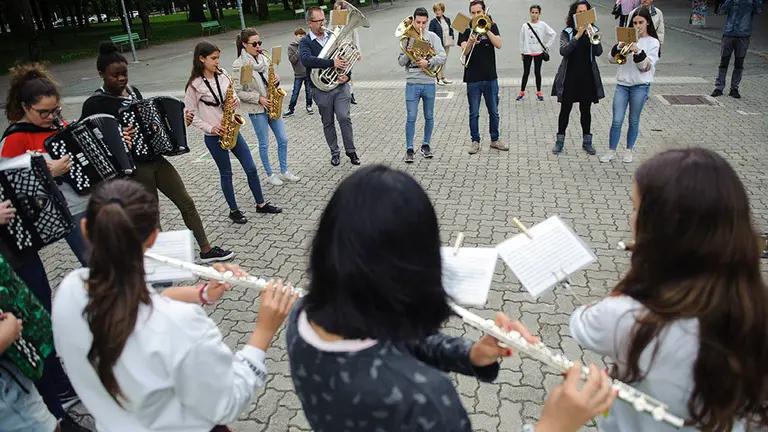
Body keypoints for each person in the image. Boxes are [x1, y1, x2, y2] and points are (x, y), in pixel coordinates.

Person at [287, 165, 617, 431]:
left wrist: (472, 354)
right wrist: (553, 427)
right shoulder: (424, 397)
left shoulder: (303, 315)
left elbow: (392, 343)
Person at [51, 179, 299, 431]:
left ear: (84, 228)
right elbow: (229, 402)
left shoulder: (70, 289)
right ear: (153, 238)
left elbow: (138, 301)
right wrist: (264, 330)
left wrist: (202, 293)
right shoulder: (179, 324)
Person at [570, 148, 768, 431]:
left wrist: (637, 280)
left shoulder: (631, 317)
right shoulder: (755, 305)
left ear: (662, 229)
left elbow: (580, 324)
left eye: (637, 208)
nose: (630, 218)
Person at [81, 42, 234, 262]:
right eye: (115, 76)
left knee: (186, 202)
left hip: (155, 158)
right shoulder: (95, 103)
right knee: (152, 214)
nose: (122, 79)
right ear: (101, 74)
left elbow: (151, 124)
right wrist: (114, 136)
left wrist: (180, 123)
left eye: (124, 73)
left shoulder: (133, 92)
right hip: (133, 167)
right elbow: (85, 138)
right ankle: (162, 261)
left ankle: (206, 250)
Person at [0, 209, 85, 432]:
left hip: (18, 252)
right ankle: (55, 412)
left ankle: (59, 391)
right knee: (30, 348)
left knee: (42, 330)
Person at [1, 64, 93, 267]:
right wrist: (48, 172)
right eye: (43, 112)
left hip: (92, 199)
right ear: (25, 107)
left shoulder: (59, 125)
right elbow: (9, 188)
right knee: (96, 265)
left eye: (55, 110)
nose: (51, 117)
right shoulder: (16, 138)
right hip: (70, 210)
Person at [185, 41, 283, 224]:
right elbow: (189, 115)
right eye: (213, 59)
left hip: (232, 130)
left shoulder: (223, 76)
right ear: (201, 59)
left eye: (218, 58)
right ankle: (234, 210)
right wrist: (211, 128)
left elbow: (235, 95)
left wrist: (235, 102)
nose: (217, 62)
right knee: (226, 173)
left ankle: (260, 204)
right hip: (214, 137)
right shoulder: (194, 85)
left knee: (251, 168)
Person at [232, 28, 300, 187]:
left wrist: (276, 81)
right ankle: (270, 174)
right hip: (257, 109)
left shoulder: (264, 58)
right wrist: (259, 98)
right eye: (254, 44)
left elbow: (269, 79)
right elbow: (239, 91)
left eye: (259, 43)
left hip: (272, 105)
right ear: (244, 44)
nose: (258, 46)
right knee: (264, 143)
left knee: (283, 139)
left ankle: (284, 171)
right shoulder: (240, 65)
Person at [300, 5, 360, 167]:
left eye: (323, 20)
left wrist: (347, 76)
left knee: (344, 117)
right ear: (309, 23)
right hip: (320, 89)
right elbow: (306, 60)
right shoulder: (305, 42)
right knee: (328, 122)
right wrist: (331, 62)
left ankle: (351, 151)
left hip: (340, 87)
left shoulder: (333, 36)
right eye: (318, 21)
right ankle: (335, 152)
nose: (322, 23)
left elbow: (347, 57)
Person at [600, 8, 659, 164]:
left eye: (641, 22)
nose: (637, 25)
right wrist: (619, 47)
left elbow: (645, 67)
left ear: (647, 23)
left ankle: (628, 150)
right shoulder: (627, 38)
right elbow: (613, 60)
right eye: (634, 22)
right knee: (617, 120)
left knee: (633, 120)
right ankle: (611, 150)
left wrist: (638, 51)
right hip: (622, 84)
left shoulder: (653, 42)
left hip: (640, 86)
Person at [551, 0, 605, 155]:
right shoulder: (567, 32)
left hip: (587, 75)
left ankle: (587, 141)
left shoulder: (593, 30)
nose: (582, 15)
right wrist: (577, 35)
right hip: (570, 76)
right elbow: (564, 51)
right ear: (574, 14)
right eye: (579, 12)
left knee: (585, 110)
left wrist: (591, 35)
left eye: (585, 12)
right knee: (565, 109)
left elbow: (598, 52)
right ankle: (559, 141)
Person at [458, 0, 508, 155]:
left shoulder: (491, 24)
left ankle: (495, 140)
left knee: (494, 111)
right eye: (472, 13)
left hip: (490, 76)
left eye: (478, 12)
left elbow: (499, 44)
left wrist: (487, 30)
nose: (475, 15)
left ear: (484, 11)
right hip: (473, 77)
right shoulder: (464, 24)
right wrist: (471, 42)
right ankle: (475, 141)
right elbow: (464, 53)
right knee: (474, 112)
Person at [399, 7, 446, 163]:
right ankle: (409, 148)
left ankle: (426, 145)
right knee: (411, 117)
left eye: (423, 22)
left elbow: (442, 56)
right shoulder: (406, 38)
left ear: (427, 21)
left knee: (429, 116)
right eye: (418, 22)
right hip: (412, 82)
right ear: (413, 21)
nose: (420, 26)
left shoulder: (432, 37)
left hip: (428, 82)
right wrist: (407, 51)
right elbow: (400, 62)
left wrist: (428, 62)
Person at [711, 0, 763, 99]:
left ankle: (734, 88)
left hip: (743, 34)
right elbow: (722, 10)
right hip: (729, 33)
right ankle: (719, 87)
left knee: (739, 63)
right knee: (723, 62)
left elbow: (759, 10)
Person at [517, 4, 557, 101]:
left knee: (537, 72)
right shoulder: (525, 26)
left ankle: (539, 92)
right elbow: (521, 39)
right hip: (527, 52)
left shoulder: (542, 25)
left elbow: (553, 34)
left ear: (539, 14)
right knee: (526, 72)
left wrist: (546, 46)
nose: (534, 15)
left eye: (536, 13)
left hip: (538, 52)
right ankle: (522, 92)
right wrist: (522, 52)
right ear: (530, 13)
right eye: (532, 13)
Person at [285, 28, 314, 117]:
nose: (302, 38)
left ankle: (309, 106)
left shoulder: (307, 45)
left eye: (303, 36)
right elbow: (293, 60)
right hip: (298, 74)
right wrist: (300, 49)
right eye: (300, 36)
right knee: (295, 92)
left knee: (309, 91)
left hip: (307, 72)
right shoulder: (291, 47)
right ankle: (291, 109)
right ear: (295, 36)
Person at [429, 2, 455, 85]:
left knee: (444, 60)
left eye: (439, 10)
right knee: (439, 61)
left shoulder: (447, 19)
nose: (437, 12)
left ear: (442, 10)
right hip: (438, 44)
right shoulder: (433, 22)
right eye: (436, 10)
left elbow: (450, 29)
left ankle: (443, 77)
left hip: (447, 42)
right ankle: (438, 77)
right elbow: (431, 33)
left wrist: (452, 37)